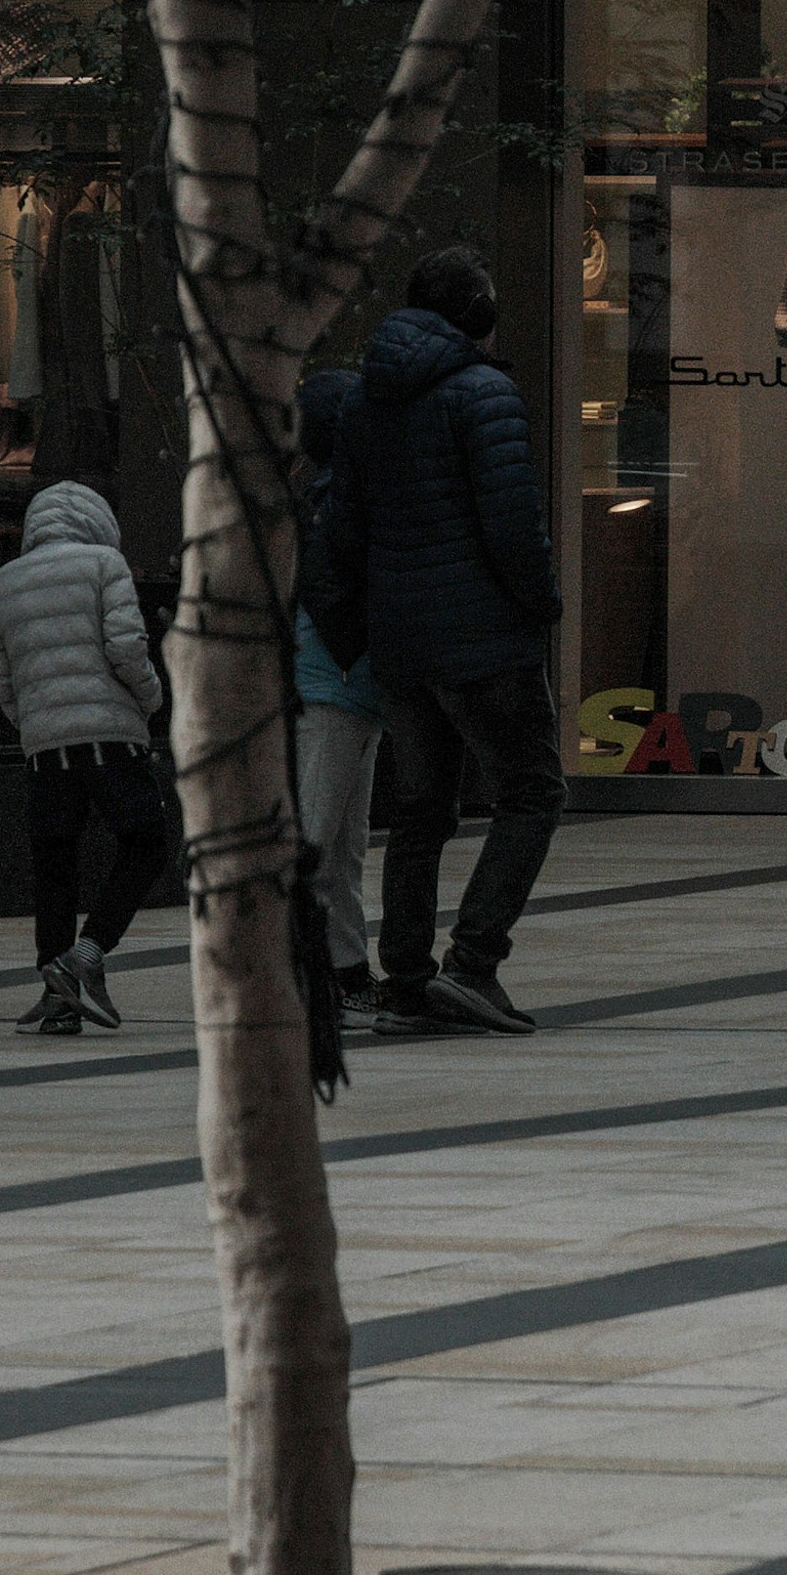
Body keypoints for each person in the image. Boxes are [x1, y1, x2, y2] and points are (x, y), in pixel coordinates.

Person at [324, 247, 565, 1037]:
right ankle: (473, 962)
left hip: (402, 643)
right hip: (483, 638)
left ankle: (407, 978)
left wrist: (356, 629)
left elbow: (344, 529)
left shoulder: (365, 402)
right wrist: (540, 606)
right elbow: (511, 524)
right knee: (531, 792)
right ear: (473, 311)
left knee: (421, 812)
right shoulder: (484, 393)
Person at [0, 479, 173, 1036]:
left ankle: (57, 995)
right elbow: (125, 646)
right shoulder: (103, 563)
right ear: (98, 521)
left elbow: (1, 677)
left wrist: (35, 724)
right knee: (146, 842)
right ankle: (87, 955)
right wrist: (151, 699)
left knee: (56, 864)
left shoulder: (2, 582)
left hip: (44, 746)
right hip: (108, 736)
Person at [292, 367, 384, 1000]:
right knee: (320, 838)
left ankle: (346, 968)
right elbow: (329, 591)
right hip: (335, 680)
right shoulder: (337, 498)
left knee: (341, 841)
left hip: (348, 682)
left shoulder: (332, 492)